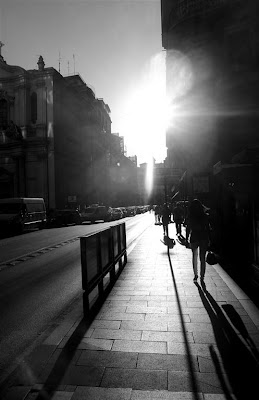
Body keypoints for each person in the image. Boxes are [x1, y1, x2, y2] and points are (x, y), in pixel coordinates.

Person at [186, 199, 210, 281]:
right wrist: (209, 239)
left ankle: (195, 274)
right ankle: (202, 276)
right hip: (203, 237)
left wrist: (186, 239)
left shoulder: (190, 216)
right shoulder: (205, 216)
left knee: (194, 256)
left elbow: (188, 228)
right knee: (202, 258)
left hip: (194, 236)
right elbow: (208, 229)